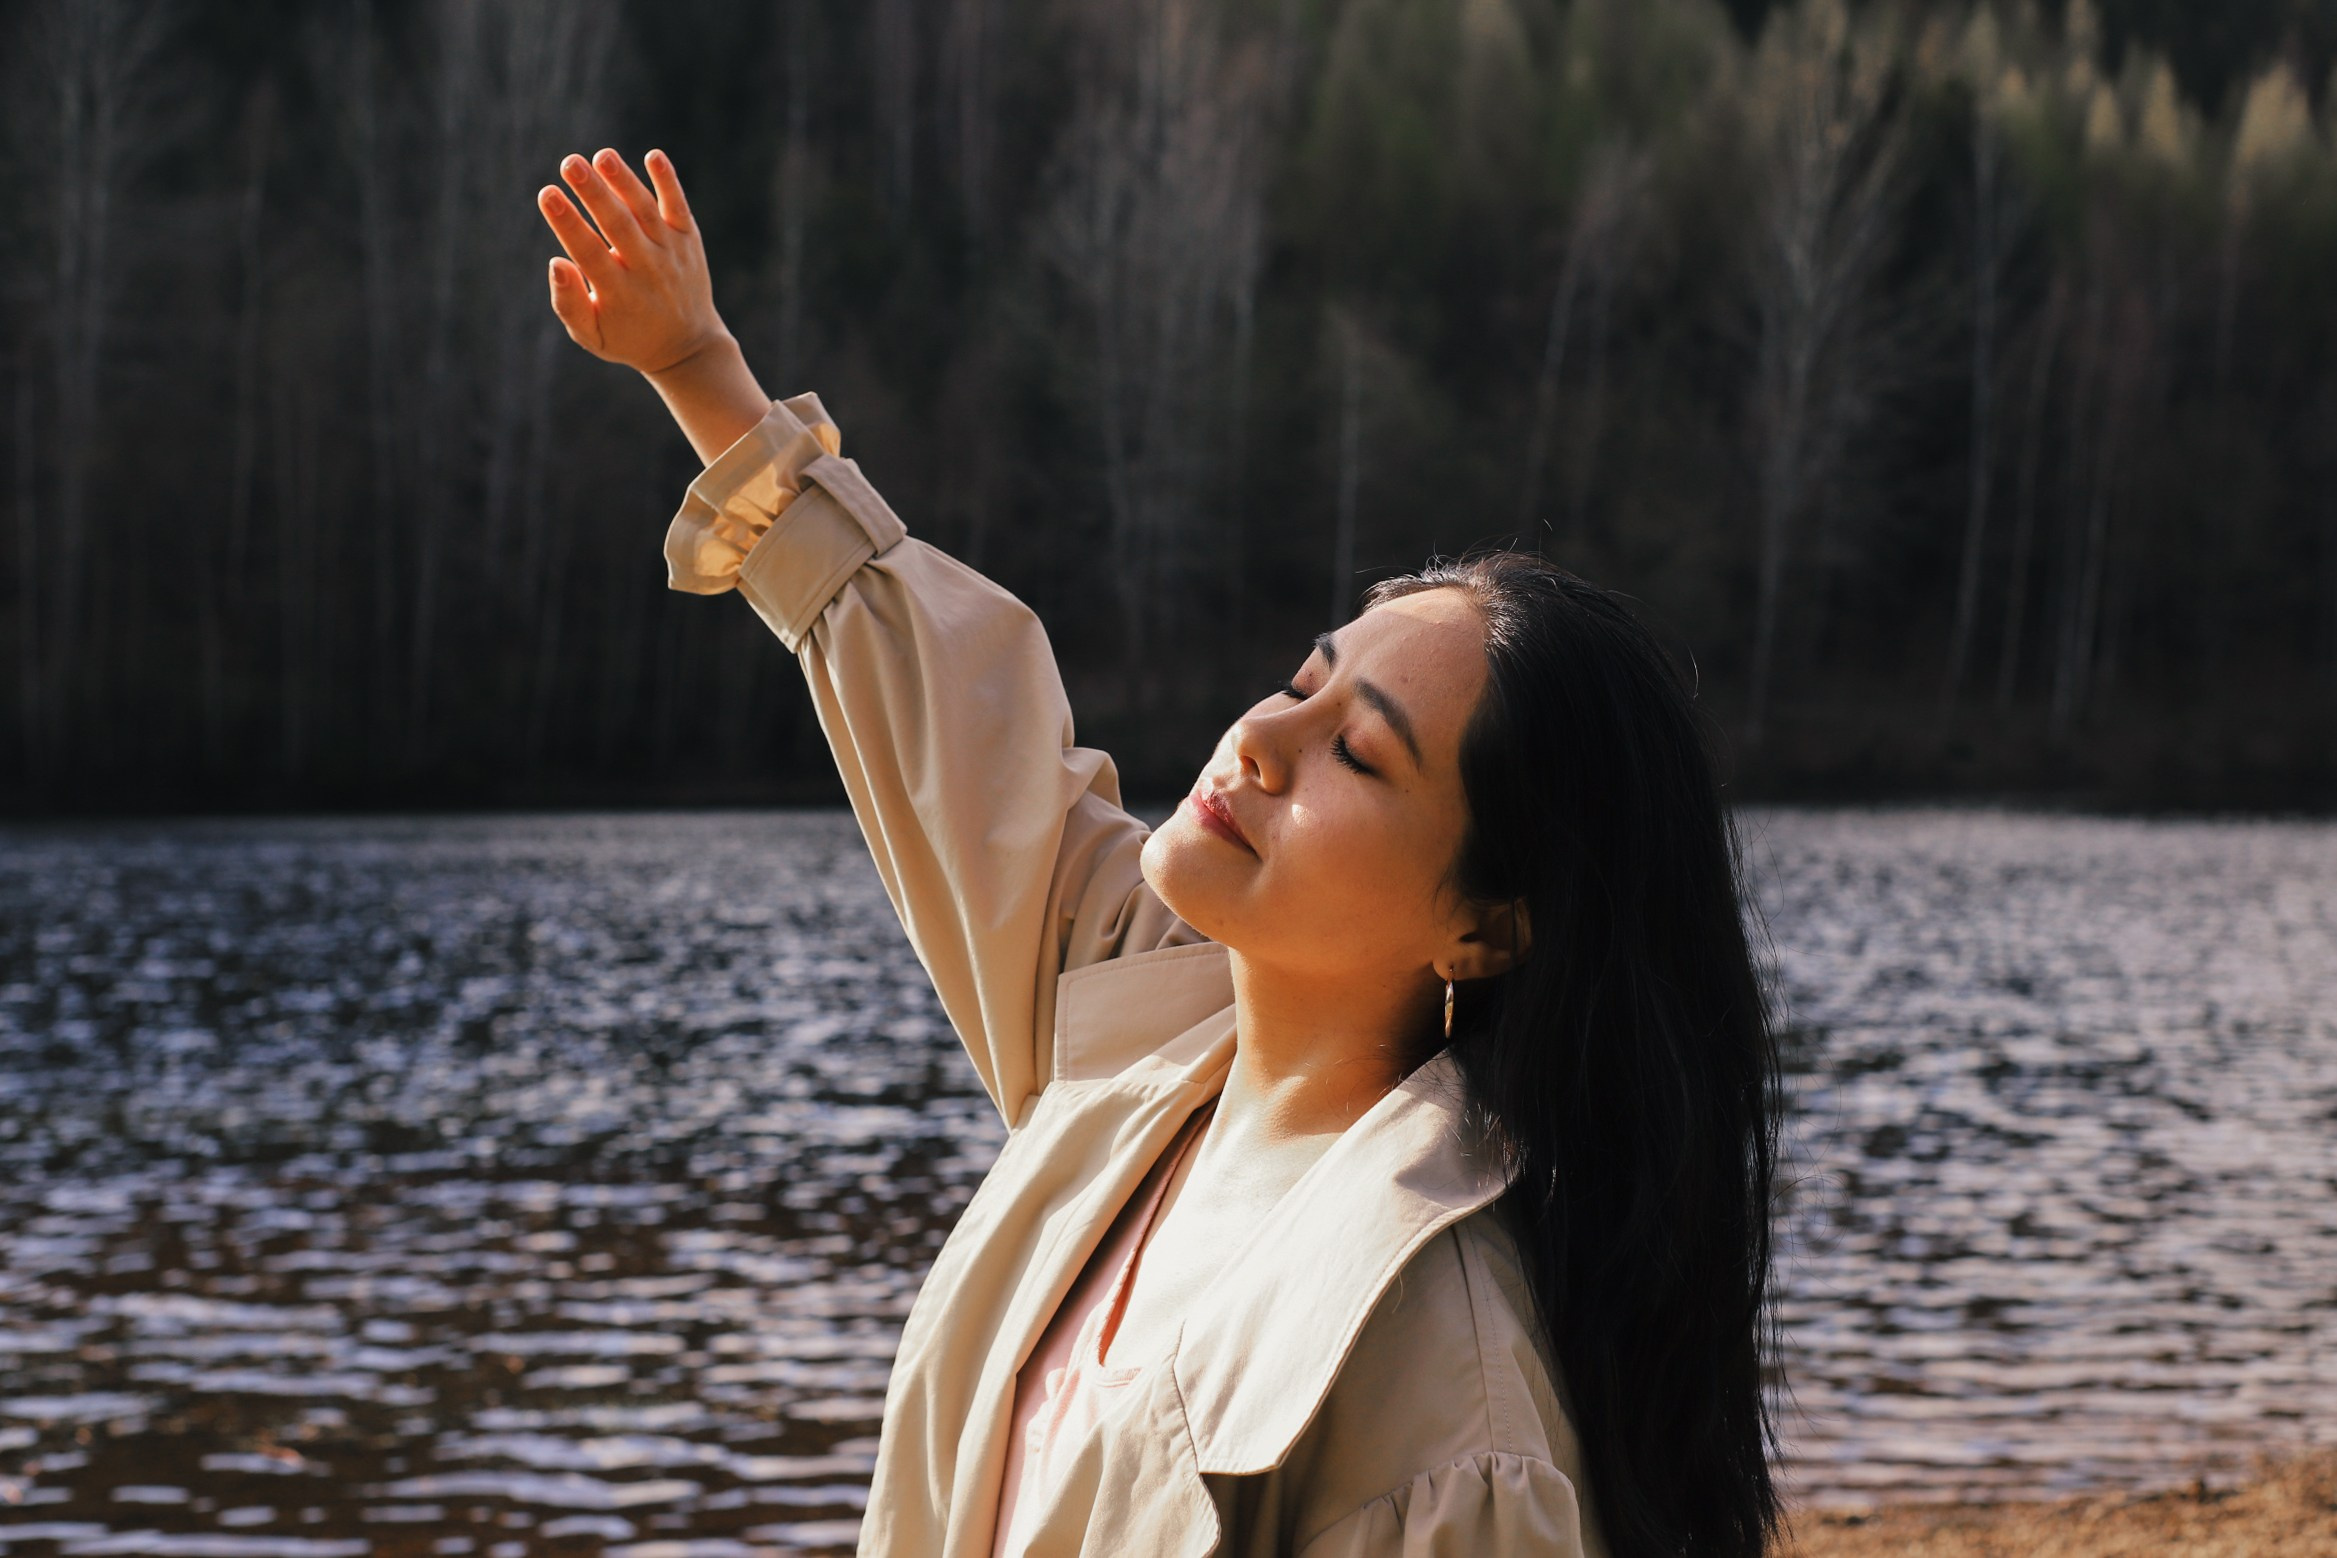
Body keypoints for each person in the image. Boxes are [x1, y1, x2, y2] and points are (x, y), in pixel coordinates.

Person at [538, 145, 1781, 1558]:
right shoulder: (1142, 1039)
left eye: (1357, 752)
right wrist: (698, 367)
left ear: (1486, 926)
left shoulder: (1444, 1407)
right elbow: (964, 738)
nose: (1262, 736)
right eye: (1302, 678)